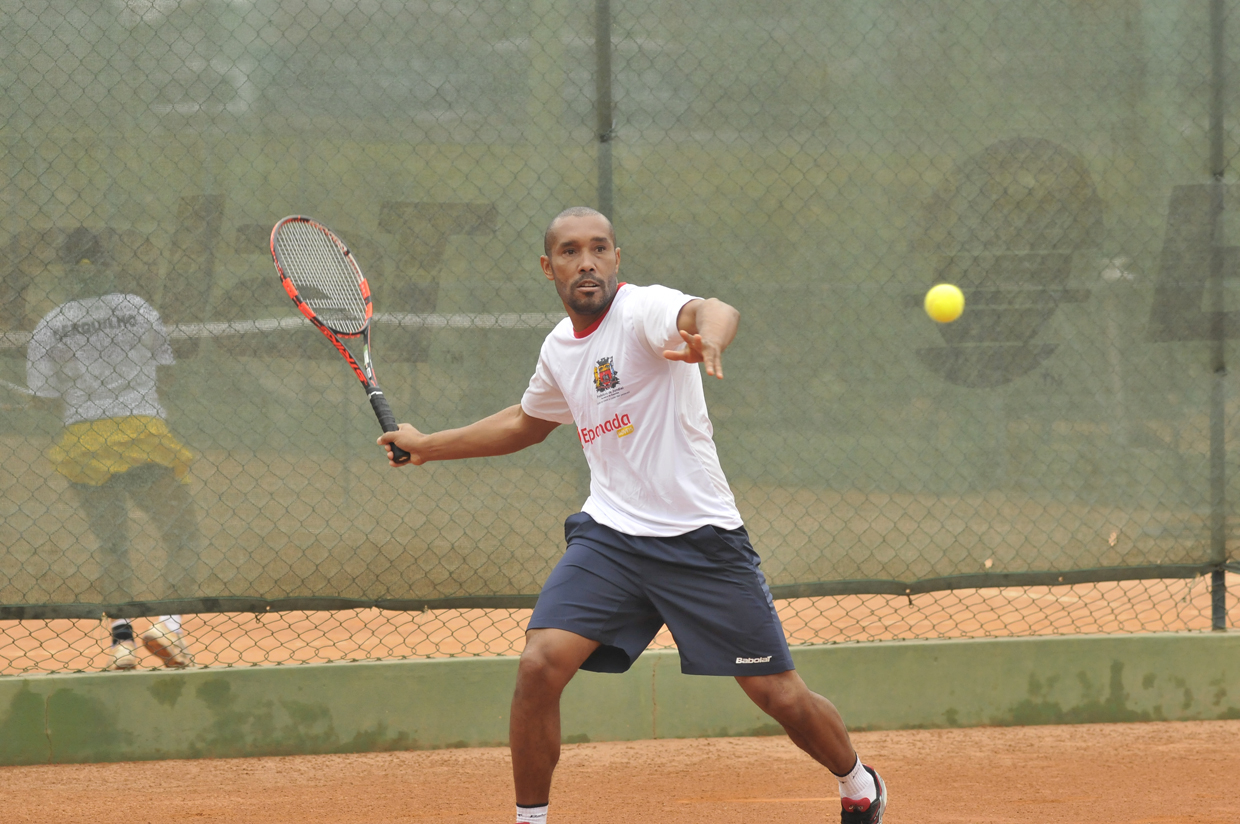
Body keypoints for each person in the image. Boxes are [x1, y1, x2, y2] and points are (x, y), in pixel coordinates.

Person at [379, 207, 887, 824]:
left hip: (701, 542)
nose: (586, 261)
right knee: (539, 665)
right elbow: (526, 423)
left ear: (618, 259)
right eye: (570, 251)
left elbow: (709, 309)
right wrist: (427, 444)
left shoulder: (644, 311)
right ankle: (530, 821)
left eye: (599, 249)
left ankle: (857, 780)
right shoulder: (560, 349)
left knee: (778, 694)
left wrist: (713, 337)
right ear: (549, 268)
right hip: (612, 540)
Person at [26, 228, 200, 670]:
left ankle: (121, 643)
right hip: (141, 435)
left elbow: (45, 402)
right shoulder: (138, 310)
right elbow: (167, 377)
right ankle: (168, 628)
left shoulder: (50, 324)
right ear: (108, 264)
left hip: (84, 442)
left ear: (64, 271)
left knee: (114, 547)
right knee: (182, 536)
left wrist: (66, 399)